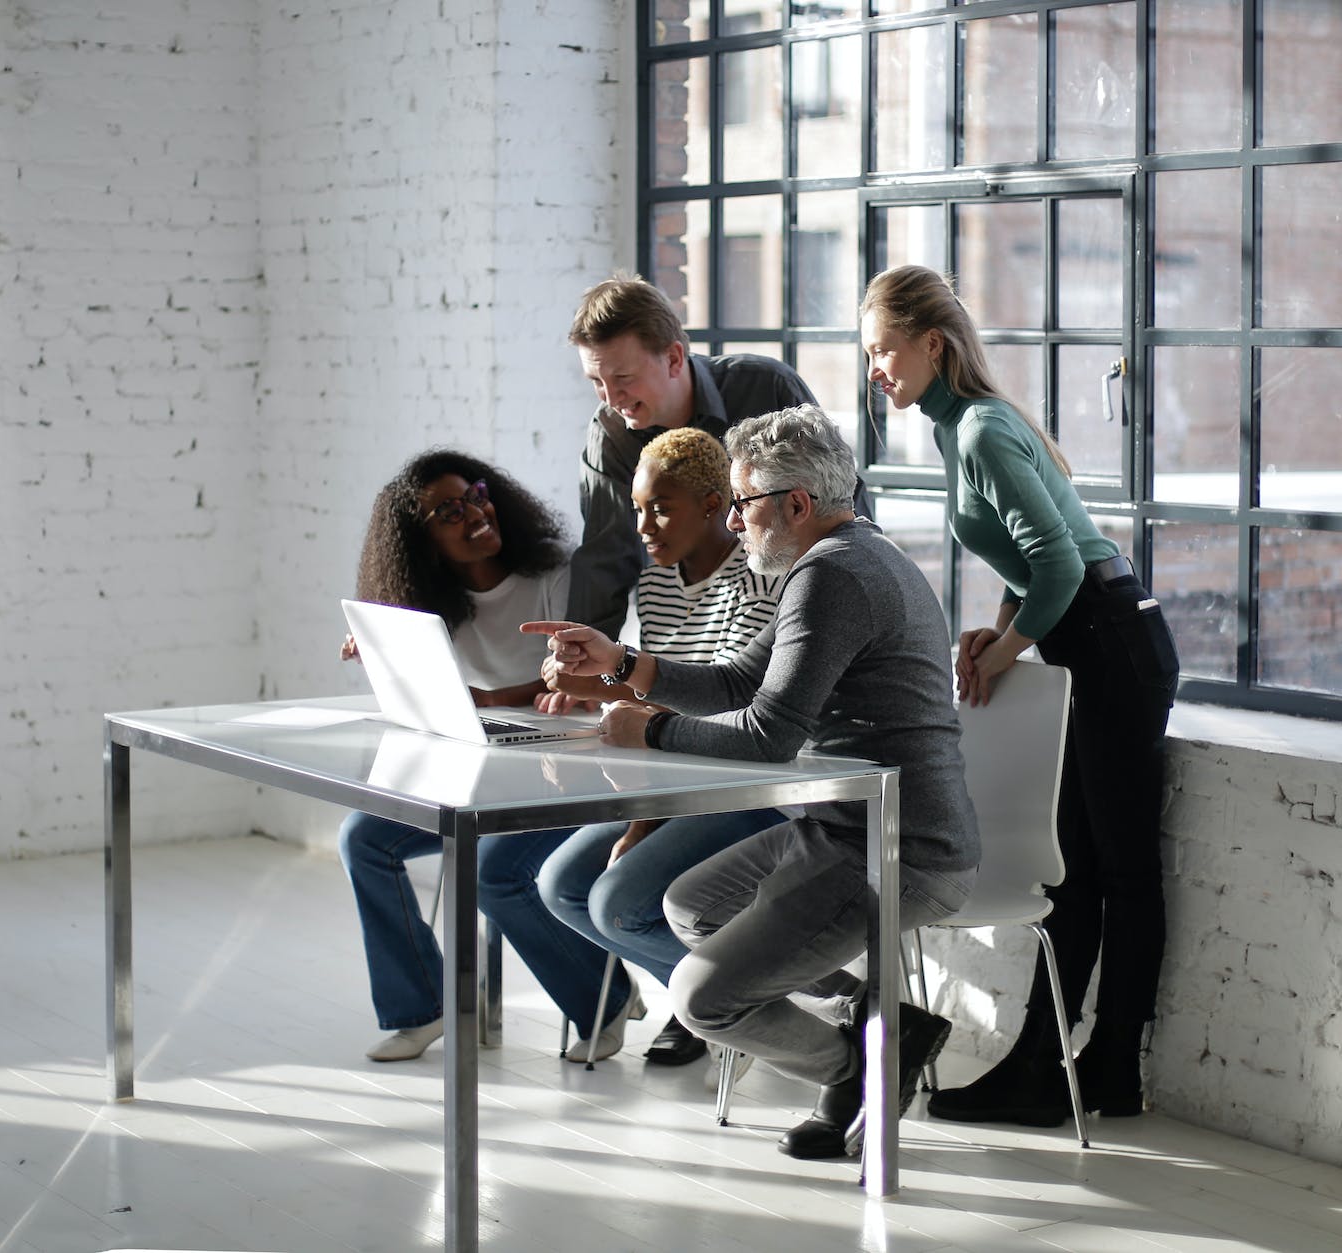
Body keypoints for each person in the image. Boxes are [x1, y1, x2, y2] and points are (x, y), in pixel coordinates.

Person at [524, 405, 976, 1160]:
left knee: (703, 997)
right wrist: (623, 665)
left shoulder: (833, 575)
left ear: (794, 504)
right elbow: (740, 678)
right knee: (690, 905)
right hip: (844, 828)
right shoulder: (844, 557)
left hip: (901, 846)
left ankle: (861, 1065)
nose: (734, 523)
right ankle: (879, 1017)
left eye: (742, 504)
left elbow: (768, 736)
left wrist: (652, 725)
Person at [858, 265, 1182, 1124]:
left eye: (884, 351)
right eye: (868, 356)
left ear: (933, 343)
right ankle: (1046, 1061)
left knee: (1118, 869)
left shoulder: (980, 431)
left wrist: (1009, 645)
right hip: (1094, 640)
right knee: (1074, 869)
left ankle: (1106, 1063)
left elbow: (1067, 563)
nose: (875, 371)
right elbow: (1032, 557)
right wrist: (997, 626)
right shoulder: (956, 426)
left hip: (1112, 641)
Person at [335, 449, 635, 1063]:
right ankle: (423, 1006)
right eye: (449, 511)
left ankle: (605, 1001)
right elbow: (436, 702)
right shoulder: (428, 602)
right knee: (364, 840)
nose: (474, 513)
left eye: (475, 493)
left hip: (567, 767)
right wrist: (385, 653)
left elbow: (586, 678)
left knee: (493, 870)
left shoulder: (556, 574)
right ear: (423, 542)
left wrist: (493, 697)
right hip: (482, 769)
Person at [534, 427, 788, 1067]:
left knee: (616, 906)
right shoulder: (655, 586)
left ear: (712, 505)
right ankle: (719, 1001)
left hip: (742, 786)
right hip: (675, 781)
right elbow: (657, 694)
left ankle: (725, 1003)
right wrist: (587, 687)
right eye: (638, 508)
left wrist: (645, 820)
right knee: (562, 885)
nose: (644, 525)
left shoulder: (758, 581)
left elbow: (724, 710)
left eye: (663, 508)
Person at [565, 273, 869, 637]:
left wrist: (862, 608)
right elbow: (605, 556)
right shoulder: (610, 433)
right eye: (596, 382)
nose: (610, 399)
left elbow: (842, 503)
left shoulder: (765, 387)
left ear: (674, 358)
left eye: (623, 378)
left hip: (801, 608)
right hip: (685, 625)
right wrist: (579, 654)